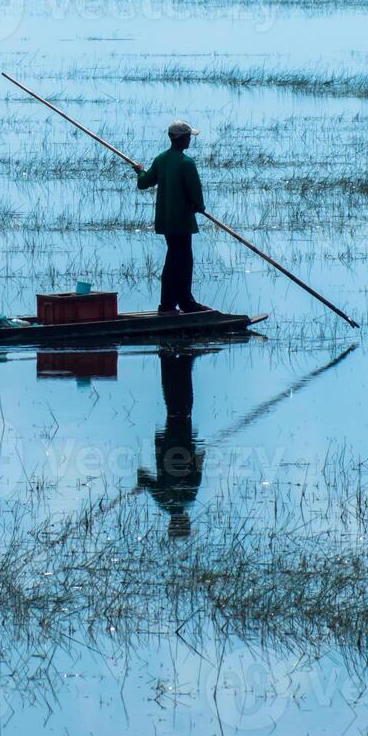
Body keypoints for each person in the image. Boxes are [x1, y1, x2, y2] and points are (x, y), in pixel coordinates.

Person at [134, 120, 209, 314]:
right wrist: (199, 207)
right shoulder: (186, 163)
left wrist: (140, 171)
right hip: (182, 222)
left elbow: (144, 183)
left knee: (174, 259)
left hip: (166, 222)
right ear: (182, 139)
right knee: (182, 261)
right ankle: (177, 304)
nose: (190, 140)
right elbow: (196, 195)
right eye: (188, 137)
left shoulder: (161, 159)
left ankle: (177, 302)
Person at [137, 349, 203, 539]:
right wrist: (141, 485)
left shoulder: (187, 497)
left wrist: (201, 451)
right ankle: (170, 357)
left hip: (181, 439)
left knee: (181, 403)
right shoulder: (165, 501)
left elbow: (197, 465)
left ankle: (183, 357)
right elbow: (144, 477)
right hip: (169, 441)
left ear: (185, 521)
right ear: (171, 523)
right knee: (174, 401)